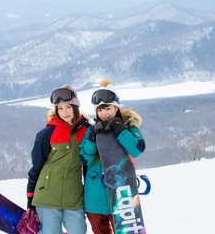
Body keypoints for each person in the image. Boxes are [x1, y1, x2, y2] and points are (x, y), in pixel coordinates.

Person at [79, 79, 146, 234]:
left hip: (121, 195)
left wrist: (120, 130)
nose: (104, 114)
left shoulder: (128, 127)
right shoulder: (91, 130)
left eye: (107, 108)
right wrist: (93, 136)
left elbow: (137, 149)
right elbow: (86, 159)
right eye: (99, 110)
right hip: (94, 196)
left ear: (116, 107)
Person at [26, 84, 91, 234]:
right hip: (46, 197)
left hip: (74, 196)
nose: (64, 112)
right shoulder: (46, 133)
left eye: (68, 107)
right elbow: (36, 167)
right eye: (60, 108)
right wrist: (30, 196)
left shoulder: (88, 131)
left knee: (78, 231)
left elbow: (89, 166)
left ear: (75, 107)